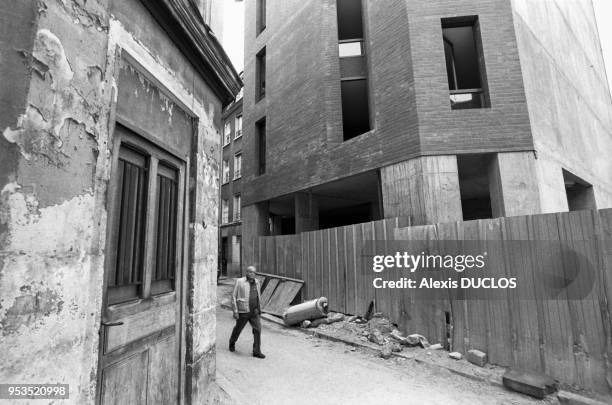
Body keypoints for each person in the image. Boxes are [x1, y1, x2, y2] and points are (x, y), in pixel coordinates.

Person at [229, 265, 266, 358]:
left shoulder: (257, 282)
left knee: (257, 330)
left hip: (254, 311)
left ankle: (257, 351)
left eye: (253, 272)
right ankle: (232, 342)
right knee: (238, 329)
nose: (251, 274)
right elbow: (233, 296)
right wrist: (235, 311)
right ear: (247, 273)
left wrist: (259, 308)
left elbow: (258, 296)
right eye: (249, 272)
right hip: (243, 311)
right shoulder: (240, 281)